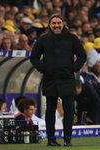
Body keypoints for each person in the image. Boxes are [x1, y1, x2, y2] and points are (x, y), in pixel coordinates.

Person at [30, 14, 86, 146]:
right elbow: (34, 57)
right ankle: (51, 139)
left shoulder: (72, 38)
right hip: (50, 78)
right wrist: (44, 69)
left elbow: (82, 56)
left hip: (67, 78)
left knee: (69, 109)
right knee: (50, 110)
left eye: (58, 23)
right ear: (50, 25)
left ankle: (67, 139)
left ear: (63, 24)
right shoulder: (43, 39)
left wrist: (73, 68)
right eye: (54, 23)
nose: (56, 25)